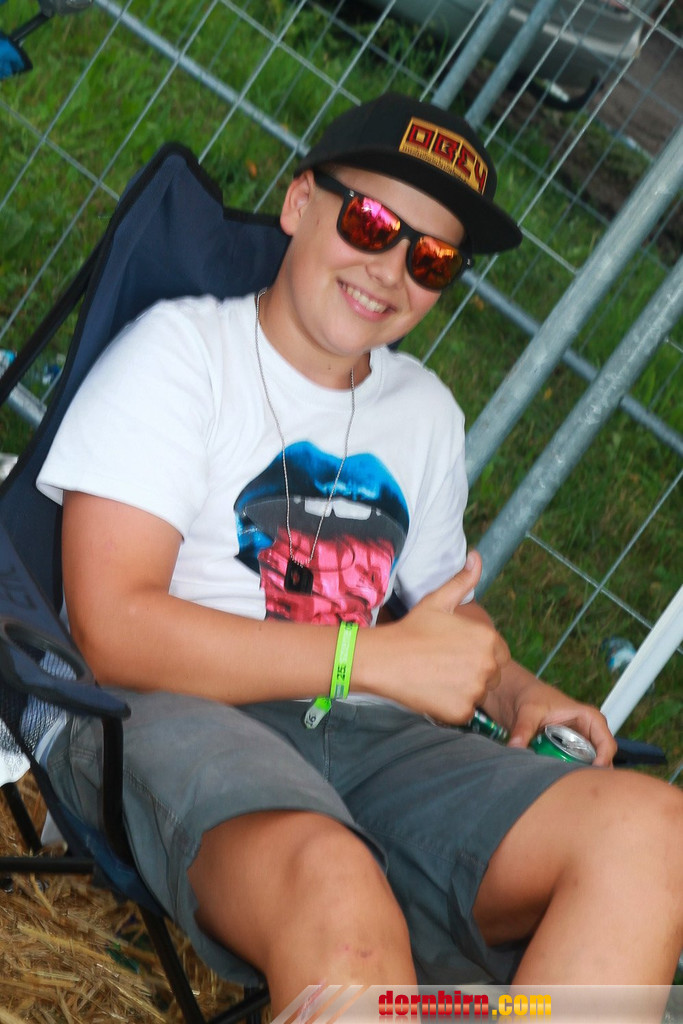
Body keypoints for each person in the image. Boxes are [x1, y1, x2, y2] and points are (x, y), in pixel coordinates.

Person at [37, 93, 682, 1015]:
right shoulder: (181, 355)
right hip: (165, 713)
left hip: (370, 737)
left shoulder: (424, 413)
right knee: (340, 897)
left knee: (652, 833)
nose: (390, 270)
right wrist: (361, 657)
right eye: (371, 223)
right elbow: (112, 632)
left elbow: (439, 612)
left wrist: (512, 691)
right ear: (300, 202)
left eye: (430, 260)